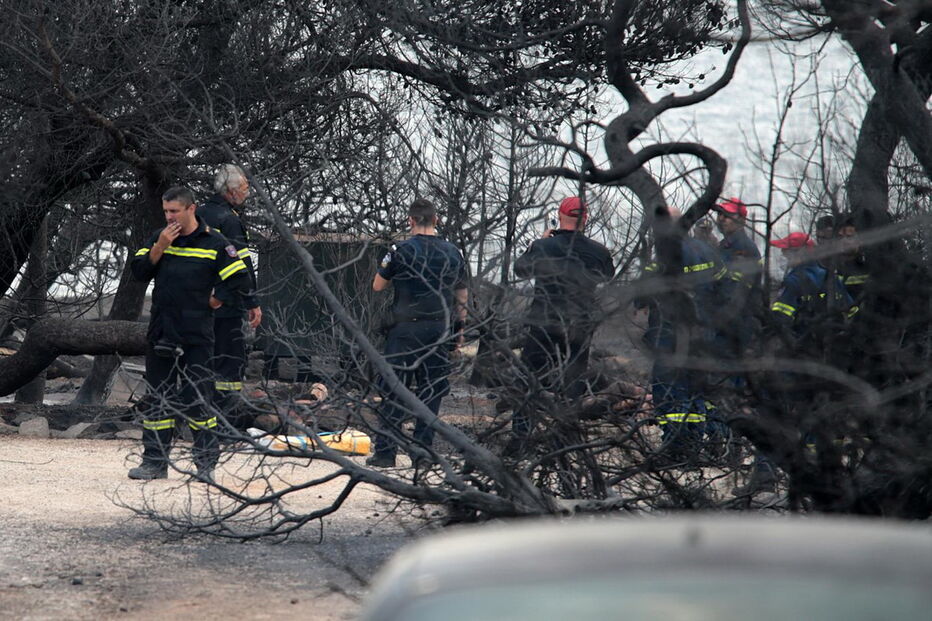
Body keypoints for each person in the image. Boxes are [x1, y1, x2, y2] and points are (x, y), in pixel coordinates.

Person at [128, 186, 255, 481]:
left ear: (191, 209)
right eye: (166, 211)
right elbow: (139, 272)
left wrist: (217, 299)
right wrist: (159, 246)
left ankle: (206, 465)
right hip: (162, 330)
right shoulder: (160, 237)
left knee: (199, 400)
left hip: (197, 333)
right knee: (158, 398)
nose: (170, 217)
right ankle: (154, 463)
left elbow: (239, 277)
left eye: (174, 211)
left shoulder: (215, 242)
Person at [735, 231, 855, 494]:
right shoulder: (831, 278)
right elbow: (851, 315)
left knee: (770, 413)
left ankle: (765, 476)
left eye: (788, 251)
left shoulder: (795, 280)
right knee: (816, 418)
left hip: (795, 361)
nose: (785, 255)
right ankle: (820, 476)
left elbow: (780, 322)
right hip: (826, 362)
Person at [507, 197, 615, 455]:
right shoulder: (599, 251)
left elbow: (520, 271)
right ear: (586, 218)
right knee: (572, 383)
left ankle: (520, 440)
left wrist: (538, 243)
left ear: (560, 215)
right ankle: (564, 442)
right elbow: (607, 276)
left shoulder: (544, 246)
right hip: (579, 327)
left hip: (543, 324)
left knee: (529, 382)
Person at [366, 199, 468, 468]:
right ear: (436, 220)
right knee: (431, 392)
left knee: (394, 389)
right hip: (439, 329)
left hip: (405, 329)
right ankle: (422, 454)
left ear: (410, 220)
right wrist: (459, 332)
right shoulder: (453, 252)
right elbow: (462, 297)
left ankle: (386, 453)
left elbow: (377, 285)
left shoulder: (400, 249)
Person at [637, 207, 724, 461]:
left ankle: (677, 448)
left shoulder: (666, 253)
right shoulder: (706, 250)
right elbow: (722, 285)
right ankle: (699, 442)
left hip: (670, 334)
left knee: (669, 392)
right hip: (703, 332)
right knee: (695, 390)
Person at [196, 165, 262, 429]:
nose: (247, 193)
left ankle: (199, 417)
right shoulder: (230, 220)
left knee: (201, 360)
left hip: (198, 304)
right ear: (232, 191)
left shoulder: (197, 214)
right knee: (229, 365)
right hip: (227, 303)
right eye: (245, 188)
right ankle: (224, 424)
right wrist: (252, 301)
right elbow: (241, 267)